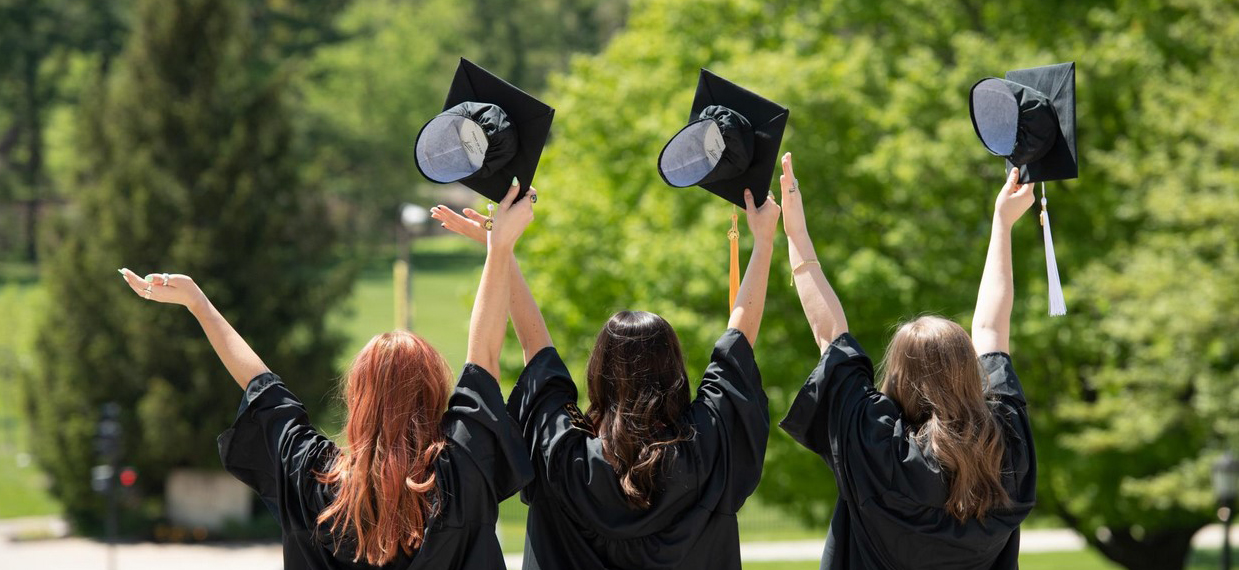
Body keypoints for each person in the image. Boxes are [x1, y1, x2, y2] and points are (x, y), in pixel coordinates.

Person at [118, 182, 537, 570]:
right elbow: (483, 357)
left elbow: (260, 386)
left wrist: (198, 303)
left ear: (357, 397)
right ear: (433, 393)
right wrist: (499, 248)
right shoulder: (460, 469)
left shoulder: (311, 478)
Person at [431, 185, 781, 570]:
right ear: (675, 371)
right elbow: (740, 337)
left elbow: (535, 348)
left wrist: (500, 252)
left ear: (599, 373)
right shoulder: (707, 448)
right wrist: (763, 242)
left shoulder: (563, 455)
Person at [778, 157, 1038, 570]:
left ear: (898, 375)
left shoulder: (880, 448)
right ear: (970, 371)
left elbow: (829, 333)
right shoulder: (1004, 447)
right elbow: (991, 327)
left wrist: (796, 233)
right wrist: (1002, 223)